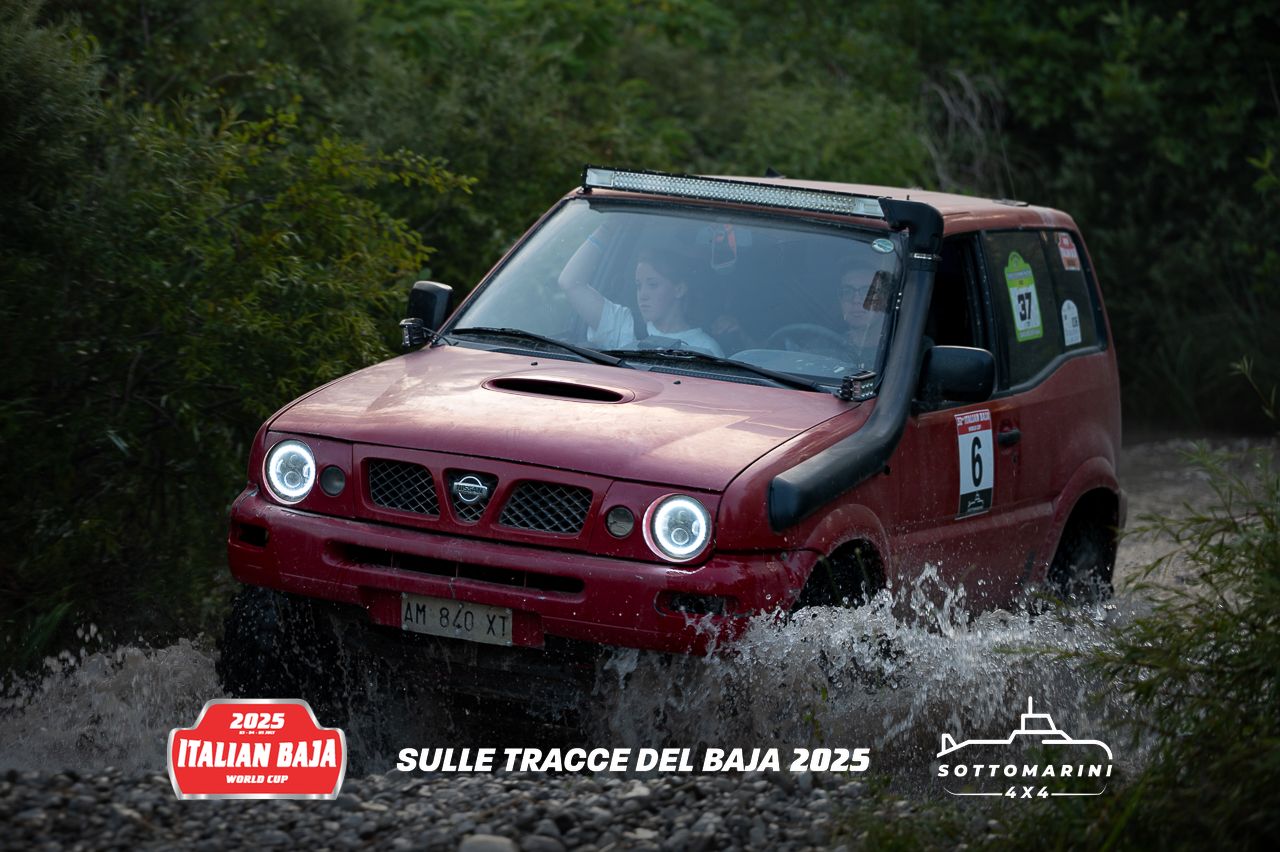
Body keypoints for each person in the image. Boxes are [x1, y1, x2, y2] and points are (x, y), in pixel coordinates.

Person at [558, 225, 724, 356]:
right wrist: (608, 227)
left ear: (679, 289)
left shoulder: (705, 348)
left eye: (653, 285)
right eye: (638, 286)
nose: (642, 295)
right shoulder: (624, 324)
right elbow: (570, 282)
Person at [838, 264, 891, 368]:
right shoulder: (824, 346)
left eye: (867, 291)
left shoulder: (903, 349)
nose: (856, 300)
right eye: (848, 292)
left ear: (885, 299)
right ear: (839, 300)